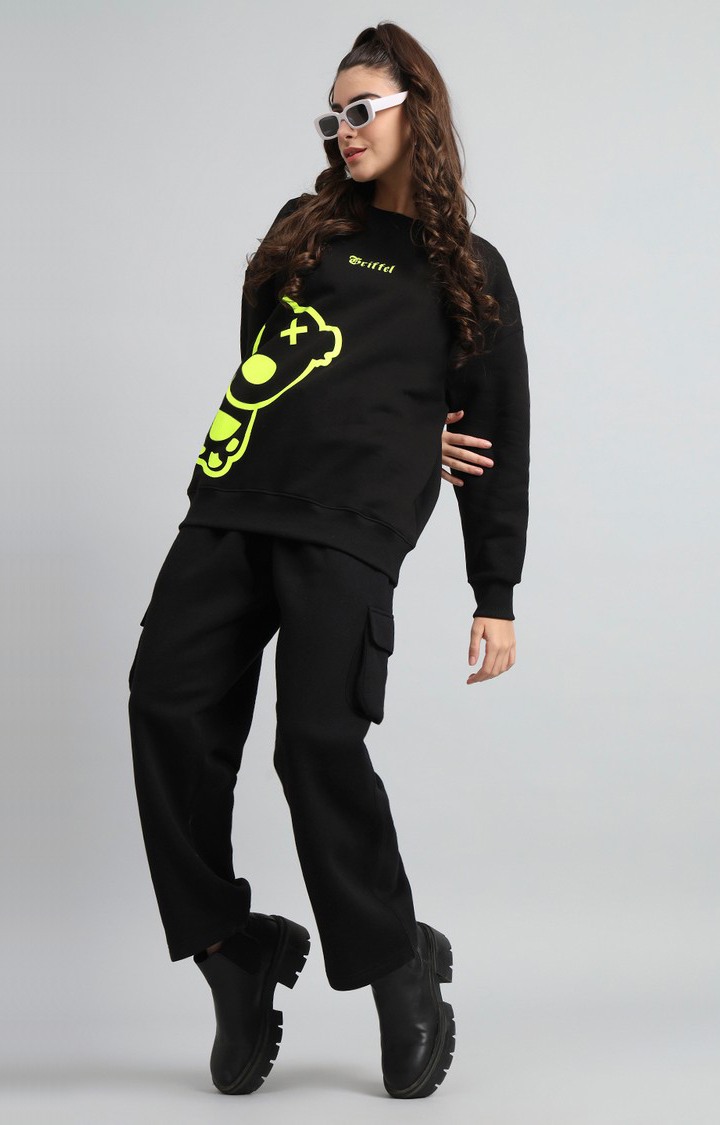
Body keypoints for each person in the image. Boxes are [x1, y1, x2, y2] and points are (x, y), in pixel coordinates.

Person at [127, 20, 530, 1101]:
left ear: (415, 115)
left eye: (363, 110)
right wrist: (381, 422)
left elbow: (496, 433)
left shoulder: (468, 270)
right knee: (164, 705)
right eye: (333, 116)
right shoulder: (301, 229)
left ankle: (398, 963)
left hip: (350, 529)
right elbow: (272, 364)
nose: (343, 130)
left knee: (313, 744)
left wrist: (494, 591)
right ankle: (232, 949)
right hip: (232, 504)